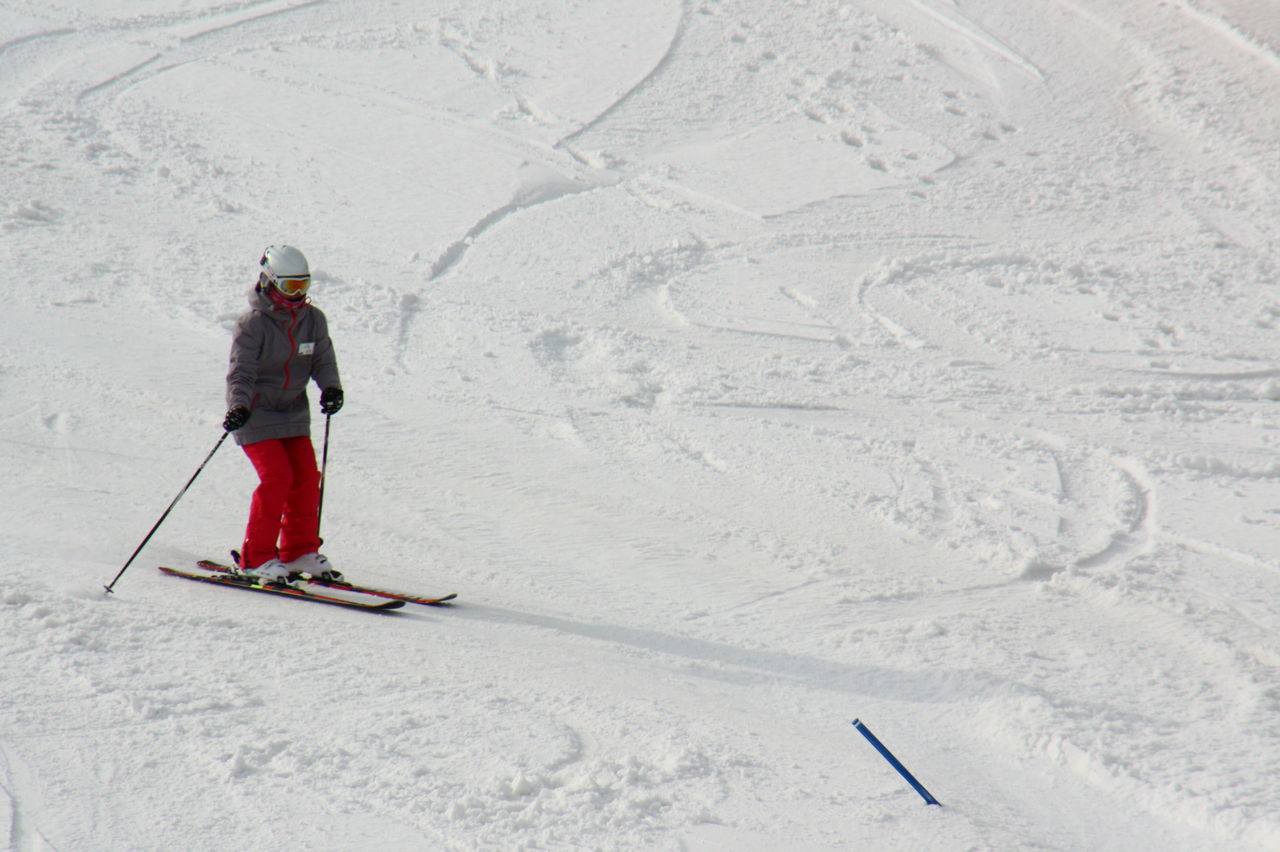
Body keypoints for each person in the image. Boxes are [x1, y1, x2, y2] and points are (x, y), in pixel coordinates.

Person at [222, 245, 344, 584]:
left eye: (304, 285)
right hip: (255, 415)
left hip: (292, 413)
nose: (298, 294)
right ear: (271, 282)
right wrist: (238, 406)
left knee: (306, 478)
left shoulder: (313, 320)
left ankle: (298, 551)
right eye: (291, 286)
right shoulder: (253, 324)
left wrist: (331, 388)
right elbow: (241, 372)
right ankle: (256, 557)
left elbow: (323, 359)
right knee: (277, 479)